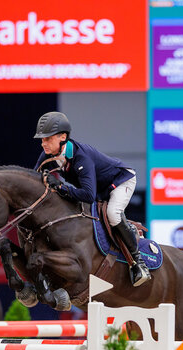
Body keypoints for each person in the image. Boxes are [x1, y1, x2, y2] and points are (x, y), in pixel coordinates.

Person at [32, 111, 151, 287]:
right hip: (97, 189)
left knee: (113, 213)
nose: (43, 144)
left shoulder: (81, 157)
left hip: (120, 181)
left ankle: (138, 263)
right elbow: (34, 180)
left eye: (47, 139)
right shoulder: (47, 156)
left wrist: (61, 187)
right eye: (42, 140)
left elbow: (88, 196)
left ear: (63, 137)